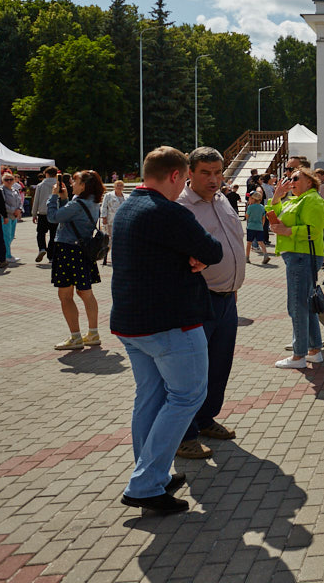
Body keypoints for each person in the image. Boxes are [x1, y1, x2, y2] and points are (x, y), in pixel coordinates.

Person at [112, 146, 223, 515]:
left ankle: (150, 474)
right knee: (187, 397)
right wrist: (196, 254)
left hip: (132, 324)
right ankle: (145, 484)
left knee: (150, 397)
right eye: (184, 180)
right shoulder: (169, 212)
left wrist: (190, 254)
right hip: (170, 324)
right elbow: (213, 250)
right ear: (176, 175)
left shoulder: (128, 206)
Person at [175, 147, 246, 460]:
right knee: (191, 372)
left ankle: (205, 419)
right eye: (206, 173)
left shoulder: (223, 201)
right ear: (189, 173)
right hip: (198, 301)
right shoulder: (180, 207)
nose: (214, 179)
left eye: (218, 172)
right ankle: (184, 435)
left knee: (219, 366)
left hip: (227, 299)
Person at [268, 165, 324, 369]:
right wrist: (276, 197)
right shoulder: (296, 200)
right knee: (306, 304)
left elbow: (314, 230)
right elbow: (276, 214)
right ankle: (314, 350)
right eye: (290, 178)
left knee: (297, 306)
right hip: (297, 256)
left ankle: (298, 355)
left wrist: (287, 231)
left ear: (309, 181)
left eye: (295, 178)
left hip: (302, 256)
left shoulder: (312, 200)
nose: (291, 182)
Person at [48, 170, 104, 349]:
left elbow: (53, 217)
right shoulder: (93, 202)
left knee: (65, 295)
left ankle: (75, 337)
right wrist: (65, 199)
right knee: (86, 293)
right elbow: (71, 217)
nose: (72, 184)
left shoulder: (77, 203)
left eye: (75, 181)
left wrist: (53, 197)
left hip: (67, 249)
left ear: (84, 186)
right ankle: (93, 333)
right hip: (82, 251)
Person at [31, 167, 60, 262]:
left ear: (46, 174)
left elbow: (36, 200)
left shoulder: (40, 185)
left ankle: (42, 248)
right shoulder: (59, 185)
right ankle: (51, 256)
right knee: (53, 235)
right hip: (55, 213)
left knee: (41, 233)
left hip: (43, 212)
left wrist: (34, 214)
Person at [100, 179, 127, 265]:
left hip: (122, 221)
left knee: (120, 239)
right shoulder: (108, 195)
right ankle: (104, 256)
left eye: (121, 185)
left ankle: (118, 257)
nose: (119, 187)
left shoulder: (127, 196)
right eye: (117, 185)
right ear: (114, 186)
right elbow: (104, 206)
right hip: (110, 220)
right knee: (109, 239)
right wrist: (104, 217)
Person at [0, 172, 23, 262]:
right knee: (6, 236)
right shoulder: (1, 190)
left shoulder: (15, 190)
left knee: (12, 235)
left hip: (14, 216)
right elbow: (2, 203)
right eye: (6, 180)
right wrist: (13, 210)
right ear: (3, 181)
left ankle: (5, 253)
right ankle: (7, 255)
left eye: (11, 179)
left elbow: (20, 201)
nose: (9, 181)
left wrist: (19, 209)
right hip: (6, 216)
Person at [244, 190, 270, 262]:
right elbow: (263, 218)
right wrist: (262, 225)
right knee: (261, 242)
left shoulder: (250, 207)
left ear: (253, 199)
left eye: (250, 198)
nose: (248, 199)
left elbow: (247, 216)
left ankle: (247, 257)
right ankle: (265, 255)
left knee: (249, 243)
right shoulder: (262, 207)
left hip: (251, 226)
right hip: (259, 227)